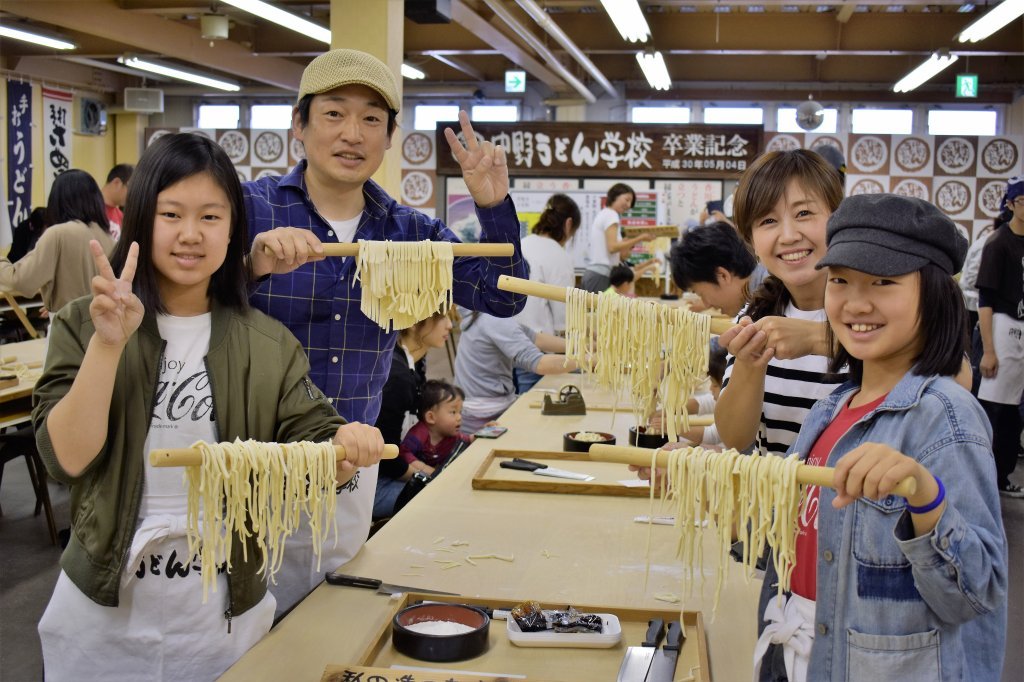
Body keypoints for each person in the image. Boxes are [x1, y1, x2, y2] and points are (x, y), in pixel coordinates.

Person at [31, 133, 387, 681]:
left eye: (211, 217)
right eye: (171, 214)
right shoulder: (84, 322)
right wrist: (108, 344)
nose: (191, 235)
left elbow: (317, 439)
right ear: (142, 219)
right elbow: (67, 460)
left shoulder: (265, 343)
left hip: (221, 616)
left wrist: (342, 451)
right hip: (103, 614)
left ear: (233, 230)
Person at [242, 48, 528, 616]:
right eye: (334, 114)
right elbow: (181, 293)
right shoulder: (250, 208)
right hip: (250, 457)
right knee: (234, 620)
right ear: (299, 125)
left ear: (390, 136)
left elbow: (503, 293)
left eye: (372, 118)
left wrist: (492, 203)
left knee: (324, 615)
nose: (353, 134)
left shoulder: (409, 231)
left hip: (355, 460)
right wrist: (248, 263)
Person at [753, 193, 1006, 682]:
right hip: (796, 654)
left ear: (933, 293)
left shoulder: (945, 417)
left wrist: (925, 495)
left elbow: (979, 591)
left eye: (884, 282)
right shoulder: (829, 411)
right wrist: (704, 474)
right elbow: (800, 537)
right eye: (841, 280)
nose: (855, 302)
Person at [715, 149, 848, 456]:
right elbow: (735, 438)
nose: (788, 236)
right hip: (776, 502)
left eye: (804, 213)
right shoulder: (758, 313)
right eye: (769, 220)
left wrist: (819, 338)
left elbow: (954, 374)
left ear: (837, 219)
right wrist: (749, 365)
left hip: (855, 502)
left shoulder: (872, 303)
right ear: (751, 241)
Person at [373, 311, 454, 519]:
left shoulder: (415, 361)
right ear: (415, 322)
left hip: (391, 470)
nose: (450, 325)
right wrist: (430, 474)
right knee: (446, 500)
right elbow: (388, 457)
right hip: (374, 484)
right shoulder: (397, 376)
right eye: (442, 318)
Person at [0, 169, 115, 314]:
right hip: (103, 325)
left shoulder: (58, 234)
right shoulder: (108, 237)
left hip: (69, 328)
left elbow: (21, 280)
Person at [454, 309, 578, 434]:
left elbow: (536, 338)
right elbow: (539, 363)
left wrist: (585, 346)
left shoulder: (487, 316)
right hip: (485, 415)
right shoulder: (494, 320)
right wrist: (590, 360)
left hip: (476, 408)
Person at [976, 175, 1024, 498]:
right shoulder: (998, 243)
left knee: (1013, 414)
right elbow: (985, 301)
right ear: (1010, 204)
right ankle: (981, 479)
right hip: (1001, 331)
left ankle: (1002, 476)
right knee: (991, 410)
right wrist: (988, 351)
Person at [515, 193, 581, 393]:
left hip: (507, 340)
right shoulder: (558, 256)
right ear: (568, 224)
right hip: (538, 348)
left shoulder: (522, 244)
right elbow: (564, 319)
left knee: (516, 406)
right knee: (535, 403)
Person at [670, 221, 768, 318]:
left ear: (722, 276)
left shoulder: (773, 297)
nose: (706, 305)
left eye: (701, 294)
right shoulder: (755, 298)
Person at [581, 183, 653, 293]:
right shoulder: (611, 215)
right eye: (627, 200)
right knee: (598, 310)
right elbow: (613, 247)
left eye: (630, 202)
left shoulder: (604, 214)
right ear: (615, 196)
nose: (628, 205)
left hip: (596, 274)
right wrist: (640, 238)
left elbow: (613, 250)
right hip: (601, 274)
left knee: (592, 310)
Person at [399, 380, 473, 476]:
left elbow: (467, 440)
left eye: (460, 412)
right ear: (431, 417)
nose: (459, 417)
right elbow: (404, 454)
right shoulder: (419, 434)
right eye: (453, 412)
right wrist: (426, 469)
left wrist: (483, 433)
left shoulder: (450, 433)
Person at [101, 163, 133, 240]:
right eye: (131, 189)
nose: (132, 195)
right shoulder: (90, 210)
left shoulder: (121, 216)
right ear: (117, 183)